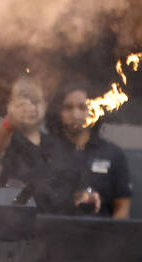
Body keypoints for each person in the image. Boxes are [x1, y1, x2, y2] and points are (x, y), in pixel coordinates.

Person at [40, 82, 132, 218]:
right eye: (68, 107)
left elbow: (122, 209)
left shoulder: (113, 154)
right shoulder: (43, 149)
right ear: (58, 111)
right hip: (53, 233)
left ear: (96, 109)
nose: (75, 114)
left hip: (100, 234)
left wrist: (111, 235)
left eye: (83, 107)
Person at [0, 75, 47, 184]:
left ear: (45, 105)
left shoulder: (52, 143)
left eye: (35, 101)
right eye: (21, 102)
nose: (29, 108)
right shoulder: (1, 135)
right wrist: (10, 121)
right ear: (9, 105)